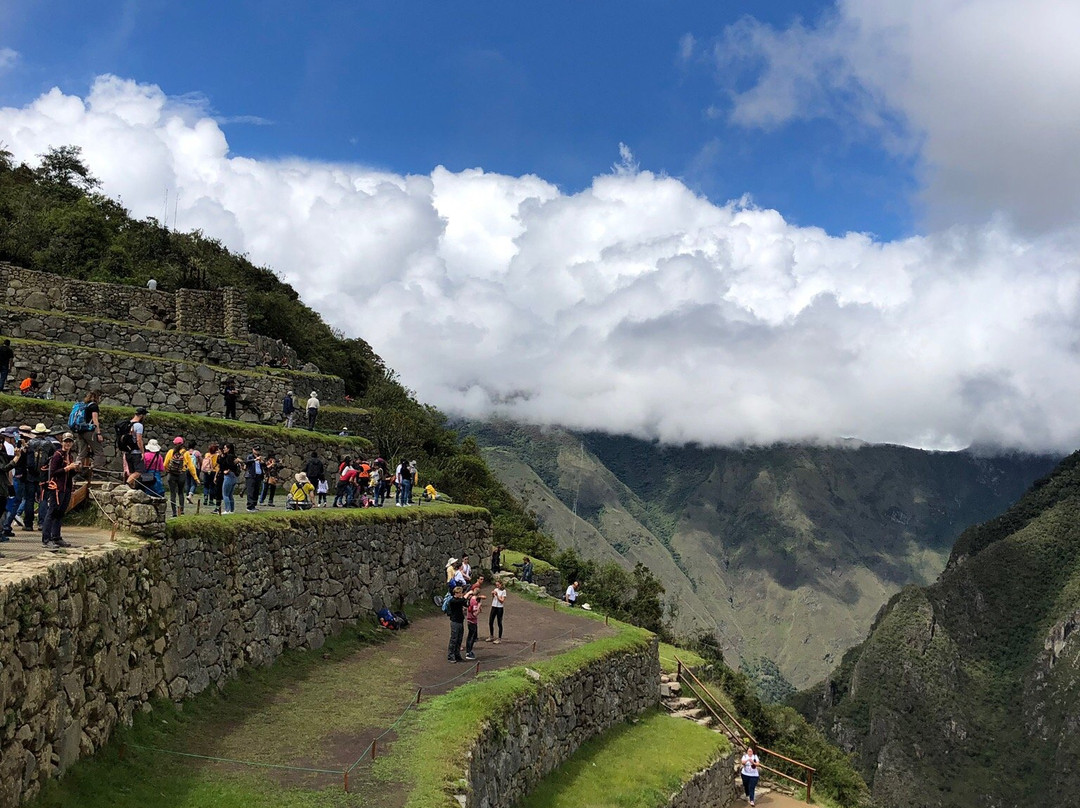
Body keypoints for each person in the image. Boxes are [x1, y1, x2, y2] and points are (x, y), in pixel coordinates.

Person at [41, 433, 78, 550]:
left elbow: (69, 474)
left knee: (60, 512)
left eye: (70, 442)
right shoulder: (57, 455)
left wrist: (75, 469)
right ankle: (46, 539)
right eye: (66, 441)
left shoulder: (69, 456)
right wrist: (67, 468)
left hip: (66, 487)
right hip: (57, 487)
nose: (67, 444)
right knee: (52, 512)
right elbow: (53, 472)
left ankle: (56, 536)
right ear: (62, 442)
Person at [22, 423, 54, 533]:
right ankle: (41, 523)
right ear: (45, 433)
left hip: (30, 476)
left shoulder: (29, 443)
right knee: (43, 499)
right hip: (43, 476)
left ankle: (28, 524)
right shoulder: (49, 444)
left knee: (29, 500)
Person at [163, 436, 199, 517]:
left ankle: (174, 512)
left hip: (171, 475)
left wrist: (167, 470)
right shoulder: (186, 453)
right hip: (181, 475)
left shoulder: (170, 452)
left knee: (172, 494)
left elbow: (165, 464)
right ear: (183, 444)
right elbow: (191, 466)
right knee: (181, 493)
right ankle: (181, 511)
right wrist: (196, 478)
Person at [70, 390, 103, 474]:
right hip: (90, 431)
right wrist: (98, 433)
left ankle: (76, 470)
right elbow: (95, 420)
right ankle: (96, 471)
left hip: (81, 431)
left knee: (82, 452)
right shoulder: (94, 406)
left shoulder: (84, 405)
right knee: (98, 451)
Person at [0, 438, 20, 551]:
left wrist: (18, 455)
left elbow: (9, 462)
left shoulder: (3, 454)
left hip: (3, 489)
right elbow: (4, 468)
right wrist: (16, 459)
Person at [446, 585, 467, 663]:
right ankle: (450, 656)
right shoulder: (453, 601)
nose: (461, 594)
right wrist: (466, 596)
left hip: (460, 621)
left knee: (459, 639)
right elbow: (461, 601)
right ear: (456, 593)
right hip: (455, 622)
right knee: (454, 639)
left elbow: (465, 604)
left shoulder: (459, 600)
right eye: (460, 593)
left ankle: (457, 655)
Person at [218, 442, 239, 514]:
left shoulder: (229, 456)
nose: (223, 449)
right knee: (230, 494)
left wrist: (228, 470)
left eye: (225, 448)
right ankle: (231, 510)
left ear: (229, 449)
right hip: (233, 476)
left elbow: (230, 465)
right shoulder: (232, 456)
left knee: (225, 494)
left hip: (229, 476)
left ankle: (227, 510)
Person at [465, 588, 485, 660]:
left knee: (471, 636)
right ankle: (468, 652)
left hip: (470, 620)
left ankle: (469, 651)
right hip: (472, 620)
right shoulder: (474, 601)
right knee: (471, 637)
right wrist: (479, 606)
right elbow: (475, 614)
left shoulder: (471, 599)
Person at [244, 445, 264, 512]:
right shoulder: (250, 456)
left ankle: (254, 505)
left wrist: (262, 462)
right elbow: (246, 462)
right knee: (251, 491)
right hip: (251, 475)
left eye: (258, 450)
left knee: (256, 491)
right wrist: (254, 460)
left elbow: (264, 466)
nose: (257, 451)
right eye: (256, 450)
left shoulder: (260, 457)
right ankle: (250, 506)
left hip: (258, 476)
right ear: (253, 450)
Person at [201, 442, 220, 508]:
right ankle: (211, 501)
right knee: (212, 486)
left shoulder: (207, 454)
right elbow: (218, 464)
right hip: (213, 471)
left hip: (206, 471)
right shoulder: (217, 456)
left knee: (206, 486)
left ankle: (205, 497)